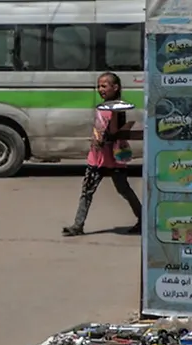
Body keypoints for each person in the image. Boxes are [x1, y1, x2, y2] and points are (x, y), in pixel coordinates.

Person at [62, 72, 142, 236]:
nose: (100, 89)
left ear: (115, 87)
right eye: (99, 86)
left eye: (104, 86)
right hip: (96, 158)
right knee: (87, 192)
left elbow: (114, 132)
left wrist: (114, 119)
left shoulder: (118, 109)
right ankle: (78, 225)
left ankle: (143, 219)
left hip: (114, 159)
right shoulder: (101, 107)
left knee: (124, 190)